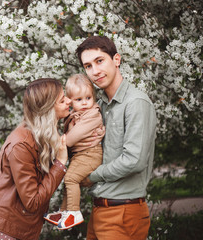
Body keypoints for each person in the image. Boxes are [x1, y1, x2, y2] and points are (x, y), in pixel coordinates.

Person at [76, 36, 157, 240]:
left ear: (117, 60)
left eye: (99, 61)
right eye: (88, 66)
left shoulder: (136, 102)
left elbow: (134, 160)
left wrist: (91, 176)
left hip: (122, 211)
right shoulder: (99, 106)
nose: (95, 71)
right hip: (100, 209)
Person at [0, 78, 71, 240]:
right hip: (4, 231)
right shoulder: (21, 145)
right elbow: (32, 201)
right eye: (62, 100)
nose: (69, 101)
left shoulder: (41, 134)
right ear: (48, 110)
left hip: (20, 229)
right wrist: (60, 164)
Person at [43, 74, 104, 230]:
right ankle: (64, 211)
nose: (84, 103)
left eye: (88, 97)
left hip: (91, 155)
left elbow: (69, 140)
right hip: (80, 156)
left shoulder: (92, 115)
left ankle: (74, 212)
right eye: (78, 99)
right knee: (67, 181)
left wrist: (59, 142)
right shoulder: (73, 116)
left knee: (71, 179)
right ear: (70, 100)